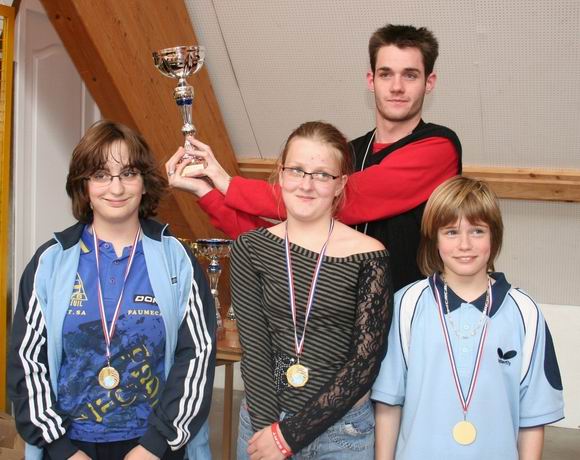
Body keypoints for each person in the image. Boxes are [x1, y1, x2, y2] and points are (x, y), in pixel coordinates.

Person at [165, 24, 461, 291]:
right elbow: (280, 238)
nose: (397, 87)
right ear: (371, 80)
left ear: (429, 82)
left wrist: (227, 183)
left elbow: (348, 200)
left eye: (410, 75)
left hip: (408, 321)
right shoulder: (348, 153)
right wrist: (206, 191)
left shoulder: (438, 146)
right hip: (342, 320)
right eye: (386, 74)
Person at [8, 120, 216, 460]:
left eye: (129, 173)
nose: (116, 188)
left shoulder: (176, 259)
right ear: (83, 185)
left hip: (155, 445)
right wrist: (61, 449)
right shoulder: (50, 262)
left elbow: (197, 356)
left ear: (145, 183)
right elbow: (27, 362)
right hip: (69, 446)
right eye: (101, 175)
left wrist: (154, 446)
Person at [228, 121, 392, 459]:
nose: (306, 184)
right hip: (265, 421)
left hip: (341, 432)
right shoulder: (250, 248)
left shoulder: (369, 255)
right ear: (281, 173)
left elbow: (365, 362)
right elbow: (255, 350)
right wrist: (268, 430)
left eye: (321, 175)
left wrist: (290, 435)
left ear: (340, 184)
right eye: (297, 170)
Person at [371, 176, 564, 460]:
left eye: (477, 231)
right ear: (434, 239)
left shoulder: (525, 312)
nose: (464, 244)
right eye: (451, 232)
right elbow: (388, 405)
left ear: (493, 236)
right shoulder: (406, 304)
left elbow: (532, 419)